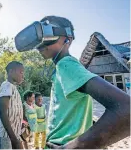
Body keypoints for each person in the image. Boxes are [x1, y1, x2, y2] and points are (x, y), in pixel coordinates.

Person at [15, 15, 130, 149]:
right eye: (39, 38)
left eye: (46, 34)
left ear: (67, 39)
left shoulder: (67, 65)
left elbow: (127, 109)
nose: (41, 44)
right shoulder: (62, 68)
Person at [0, 61, 24, 149]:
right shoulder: (7, 86)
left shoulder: (13, 88)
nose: (23, 75)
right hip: (5, 136)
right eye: (21, 72)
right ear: (11, 72)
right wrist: (13, 139)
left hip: (13, 134)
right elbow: (2, 112)